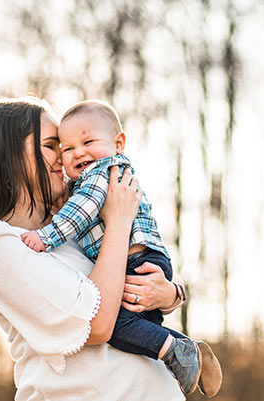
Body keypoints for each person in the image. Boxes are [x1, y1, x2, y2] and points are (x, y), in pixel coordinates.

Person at [0, 97, 191, 400]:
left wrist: (171, 294)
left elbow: (127, 282)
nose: (64, 157)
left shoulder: (72, 223)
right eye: (53, 145)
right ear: (8, 155)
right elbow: (97, 325)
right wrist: (119, 222)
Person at [20, 100, 222, 397]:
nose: (78, 153)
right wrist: (173, 294)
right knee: (139, 327)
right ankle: (185, 357)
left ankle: (177, 351)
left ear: (119, 143)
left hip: (136, 261)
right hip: (142, 260)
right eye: (68, 147)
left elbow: (82, 210)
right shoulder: (83, 180)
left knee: (114, 324)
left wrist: (46, 237)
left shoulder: (102, 172)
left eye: (88, 141)